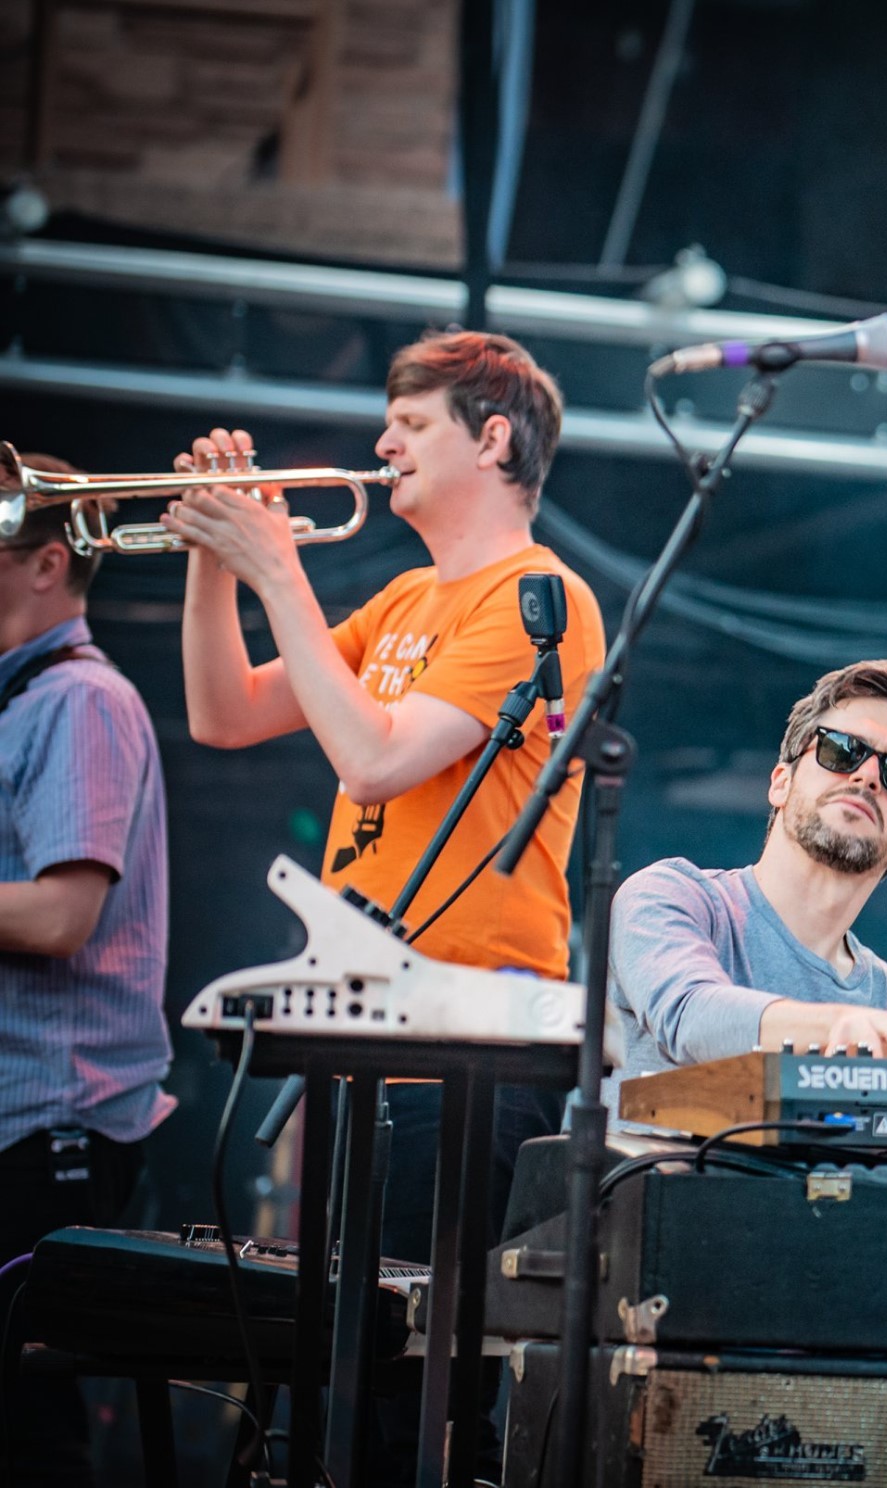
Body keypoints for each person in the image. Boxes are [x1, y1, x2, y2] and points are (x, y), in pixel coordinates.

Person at [162, 330, 604, 1480]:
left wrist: (275, 566)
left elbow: (370, 757)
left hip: (469, 1043)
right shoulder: (408, 596)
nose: (381, 444)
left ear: (491, 436)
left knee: (407, 1396)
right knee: (338, 1382)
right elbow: (222, 711)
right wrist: (218, 547)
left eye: (408, 424)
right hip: (371, 1029)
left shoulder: (537, 597)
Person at [0, 460, 173, 1485]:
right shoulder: (26, 702)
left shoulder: (82, 701)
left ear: (47, 563)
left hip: (48, 1125)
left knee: (24, 1430)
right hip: (22, 1115)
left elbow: (65, 915)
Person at [606, 660, 887, 1121]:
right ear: (781, 783)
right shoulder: (672, 896)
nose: (868, 776)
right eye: (842, 750)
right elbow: (690, 1016)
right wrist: (838, 1026)